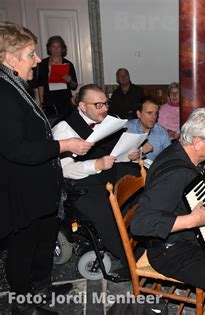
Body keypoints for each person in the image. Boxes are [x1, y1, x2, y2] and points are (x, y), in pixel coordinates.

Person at [0, 22, 92, 314]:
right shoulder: (3, 93)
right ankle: (23, 304)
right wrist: (64, 146)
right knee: (23, 247)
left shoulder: (16, 84)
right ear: (10, 58)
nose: (37, 60)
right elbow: (16, 150)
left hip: (41, 186)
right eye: (31, 54)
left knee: (44, 237)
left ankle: (42, 288)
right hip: (22, 188)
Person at [131, 108, 205, 315]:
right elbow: (141, 223)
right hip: (170, 251)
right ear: (196, 141)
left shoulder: (180, 150)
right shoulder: (176, 174)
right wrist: (191, 221)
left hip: (184, 237)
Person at [52, 84, 140, 269]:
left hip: (106, 172)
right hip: (78, 183)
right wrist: (96, 164)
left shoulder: (108, 120)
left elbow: (114, 150)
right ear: (82, 106)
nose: (105, 109)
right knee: (106, 213)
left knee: (138, 180)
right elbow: (62, 169)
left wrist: (132, 152)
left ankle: (145, 238)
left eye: (106, 104)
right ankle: (131, 260)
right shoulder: (65, 129)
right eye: (98, 105)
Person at [37, 35, 78, 118]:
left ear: (62, 49)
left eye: (58, 47)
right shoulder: (43, 64)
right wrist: (42, 102)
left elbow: (74, 86)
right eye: (53, 46)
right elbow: (40, 84)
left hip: (65, 101)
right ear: (49, 48)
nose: (56, 49)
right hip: (49, 102)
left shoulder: (68, 64)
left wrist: (70, 80)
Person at [126, 96, 171, 162]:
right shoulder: (128, 128)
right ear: (139, 114)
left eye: (156, 113)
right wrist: (141, 151)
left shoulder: (162, 133)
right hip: (129, 169)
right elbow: (118, 157)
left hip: (154, 170)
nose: (154, 117)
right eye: (149, 113)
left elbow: (170, 158)